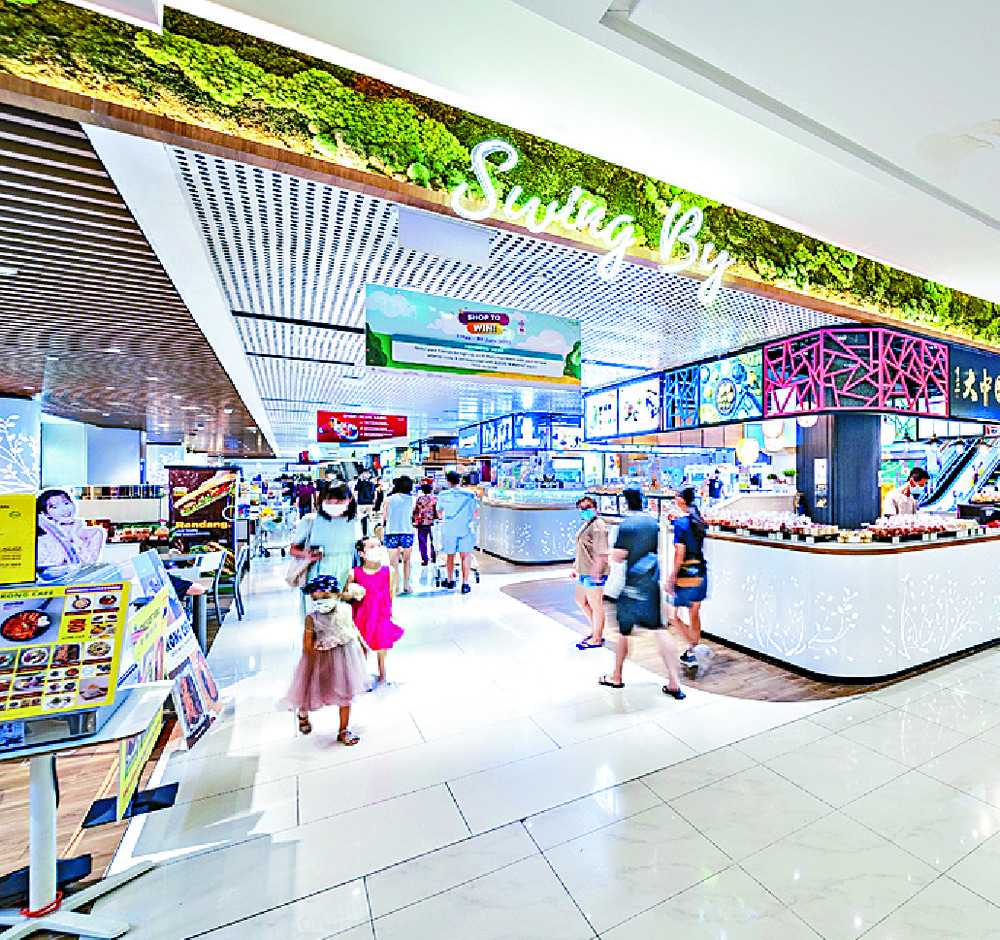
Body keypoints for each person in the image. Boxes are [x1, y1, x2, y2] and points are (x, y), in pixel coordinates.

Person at [598, 488, 685, 698]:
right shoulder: (653, 523)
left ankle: (616, 676)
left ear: (626, 502)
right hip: (651, 582)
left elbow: (619, 556)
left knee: (624, 632)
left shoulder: (626, 525)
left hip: (632, 585)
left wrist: (604, 554)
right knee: (659, 629)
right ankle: (674, 682)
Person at [287, 575, 368, 744]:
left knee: (346, 693)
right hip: (320, 660)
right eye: (315, 599)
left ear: (337, 594)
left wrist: (362, 644)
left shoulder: (345, 610)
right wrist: (311, 665)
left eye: (325, 596)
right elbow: (307, 645)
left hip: (345, 659)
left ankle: (343, 730)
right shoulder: (312, 618)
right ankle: (303, 713)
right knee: (312, 691)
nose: (321, 602)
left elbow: (352, 627)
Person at [288, 482, 358, 607]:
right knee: (318, 615)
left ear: (350, 500)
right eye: (329, 502)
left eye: (339, 502)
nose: (333, 506)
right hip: (318, 578)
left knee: (346, 615)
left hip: (349, 577)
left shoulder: (359, 522)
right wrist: (306, 555)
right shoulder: (310, 521)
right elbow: (293, 550)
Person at [351, 536, 404, 685]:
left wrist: (389, 612)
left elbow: (390, 593)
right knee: (363, 644)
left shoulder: (388, 571)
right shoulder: (355, 573)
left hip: (381, 613)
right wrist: (353, 591)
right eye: (372, 547)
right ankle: (362, 674)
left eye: (379, 546)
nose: (377, 550)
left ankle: (382, 673)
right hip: (362, 615)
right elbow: (348, 595)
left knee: (382, 643)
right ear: (361, 553)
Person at [667, 487, 709, 671]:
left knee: (671, 615)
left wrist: (672, 577)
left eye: (677, 496)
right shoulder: (699, 521)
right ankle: (692, 651)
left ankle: (694, 648)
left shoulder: (680, 523)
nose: (675, 499)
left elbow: (679, 553)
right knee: (694, 614)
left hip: (686, 573)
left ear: (682, 500)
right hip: (700, 570)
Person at [573, 494, 610, 649]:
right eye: (582, 508)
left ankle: (597, 637)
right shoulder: (588, 524)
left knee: (596, 605)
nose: (584, 511)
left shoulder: (598, 526)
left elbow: (602, 552)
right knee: (580, 600)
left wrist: (597, 572)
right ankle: (596, 630)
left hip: (593, 572)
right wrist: (576, 565)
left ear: (595, 508)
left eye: (588, 507)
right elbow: (583, 547)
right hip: (584, 570)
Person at [36, 489, 106, 567]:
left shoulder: (94, 533)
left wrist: (74, 535)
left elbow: (88, 562)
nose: (64, 509)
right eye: (55, 507)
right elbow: (50, 566)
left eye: (66, 503)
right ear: (45, 513)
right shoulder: (43, 540)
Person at [436, 471, 478, 593]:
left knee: (450, 555)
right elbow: (475, 512)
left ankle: (450, 580)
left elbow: (439, 513)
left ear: (448, 481)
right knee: (465, 556)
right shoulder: (470, 494)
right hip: (466, 528)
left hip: (449, 528)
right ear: (459, 480)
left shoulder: (443, 495)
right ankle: (465, 583)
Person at [383, 476, 415, 595]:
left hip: (391, 532)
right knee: (407, 560)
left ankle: (396, 587)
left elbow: (384, 517)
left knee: (393, 562)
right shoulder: (412, 499)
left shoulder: (388, 499)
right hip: (407, 531)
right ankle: (406, 585)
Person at [412, 482, 437, 567]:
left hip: (421, 522)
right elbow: (436, 511)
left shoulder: (420, 499)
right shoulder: (434, 499)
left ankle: (425, 559)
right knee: (433, 541)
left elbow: (416, 510)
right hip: (432, 522)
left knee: (422, 541)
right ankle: (433, 557)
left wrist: (414, 519)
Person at [356, 469, 377, 535]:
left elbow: (374, 493)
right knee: (367, 519)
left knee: (365, 519)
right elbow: (375, 494)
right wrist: (374, 502)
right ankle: (366, 533)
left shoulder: (369, 484)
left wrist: (374, 501)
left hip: (364, 503)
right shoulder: (360, 483)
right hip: (364, 503)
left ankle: (365, 533)